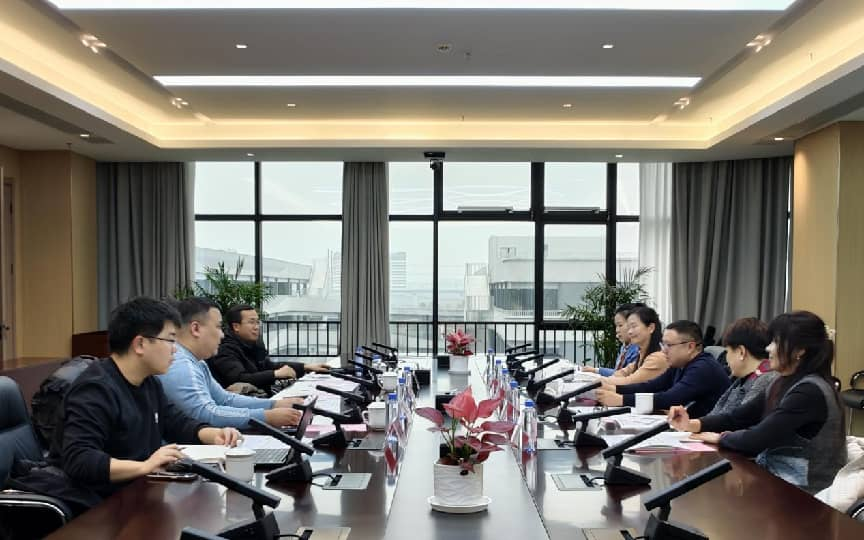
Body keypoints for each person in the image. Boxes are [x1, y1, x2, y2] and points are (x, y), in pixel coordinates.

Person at [13, 297, 240, 515]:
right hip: (94, 507)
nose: (175, 349)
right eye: (171, 340)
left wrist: (213, 434)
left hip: (133, 496)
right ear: (140, 344)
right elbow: (80, 460)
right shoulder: (95, 390)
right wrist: (144, 467)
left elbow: (175, 422)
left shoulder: (148, 382)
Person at [668, 311, 846, 494]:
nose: (768, 348)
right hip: (776, 481)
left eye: (776, 342)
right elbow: (738, 418)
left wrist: (721, 438)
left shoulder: (809, 391)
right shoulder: (781, 382)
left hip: (803, 495)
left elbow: (758, 438)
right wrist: (693, 424)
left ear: (800, 350)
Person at [158, 297, 303, 429]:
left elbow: (225, 399)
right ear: (195, 329)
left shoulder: (197, 362)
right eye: (218, 327)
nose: (222, 334)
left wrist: (274, 404)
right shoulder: (181, 364)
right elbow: (205, 414)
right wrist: (266, 416)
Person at [596, 320, 730, 418]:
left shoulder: (703, 368)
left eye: (669, 345)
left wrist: (621, 399)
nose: (664, 350)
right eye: (663, 344)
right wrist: (615, 389)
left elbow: (670, 399)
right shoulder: (679, 364)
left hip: (708, 435)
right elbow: (652, 386)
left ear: (690, 347)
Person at [209, 304, 330, 396]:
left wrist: (305, 367)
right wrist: (275, 374)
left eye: (257, 322)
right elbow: (239, 378)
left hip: (261, 395)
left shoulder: (253, 344)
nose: (256, 327)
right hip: (241, 402)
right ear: (236, 326)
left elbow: (269, 365)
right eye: (251, 322)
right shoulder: (225, 349)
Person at [708, 317, 777, 416]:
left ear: (741, 352)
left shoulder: (765, 381)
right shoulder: (742, 379)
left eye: (727, 352)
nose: (726, 359)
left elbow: (739, 420)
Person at [601, 306, 668, 386]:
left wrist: (600, 381)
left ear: (651, 328)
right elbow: (622, 372)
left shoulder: (657, 358)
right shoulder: (642, 355)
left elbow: (630, 382)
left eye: (634, 326)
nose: (629, 332)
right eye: (629, 327)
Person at [582, 303, 642, 377]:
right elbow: (618, 372)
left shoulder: (639, 349)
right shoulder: (624, 347)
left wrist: (597, 371)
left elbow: (625, 376)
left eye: (620, 325)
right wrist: (596, 370)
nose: (617, 330)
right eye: (616, 326)